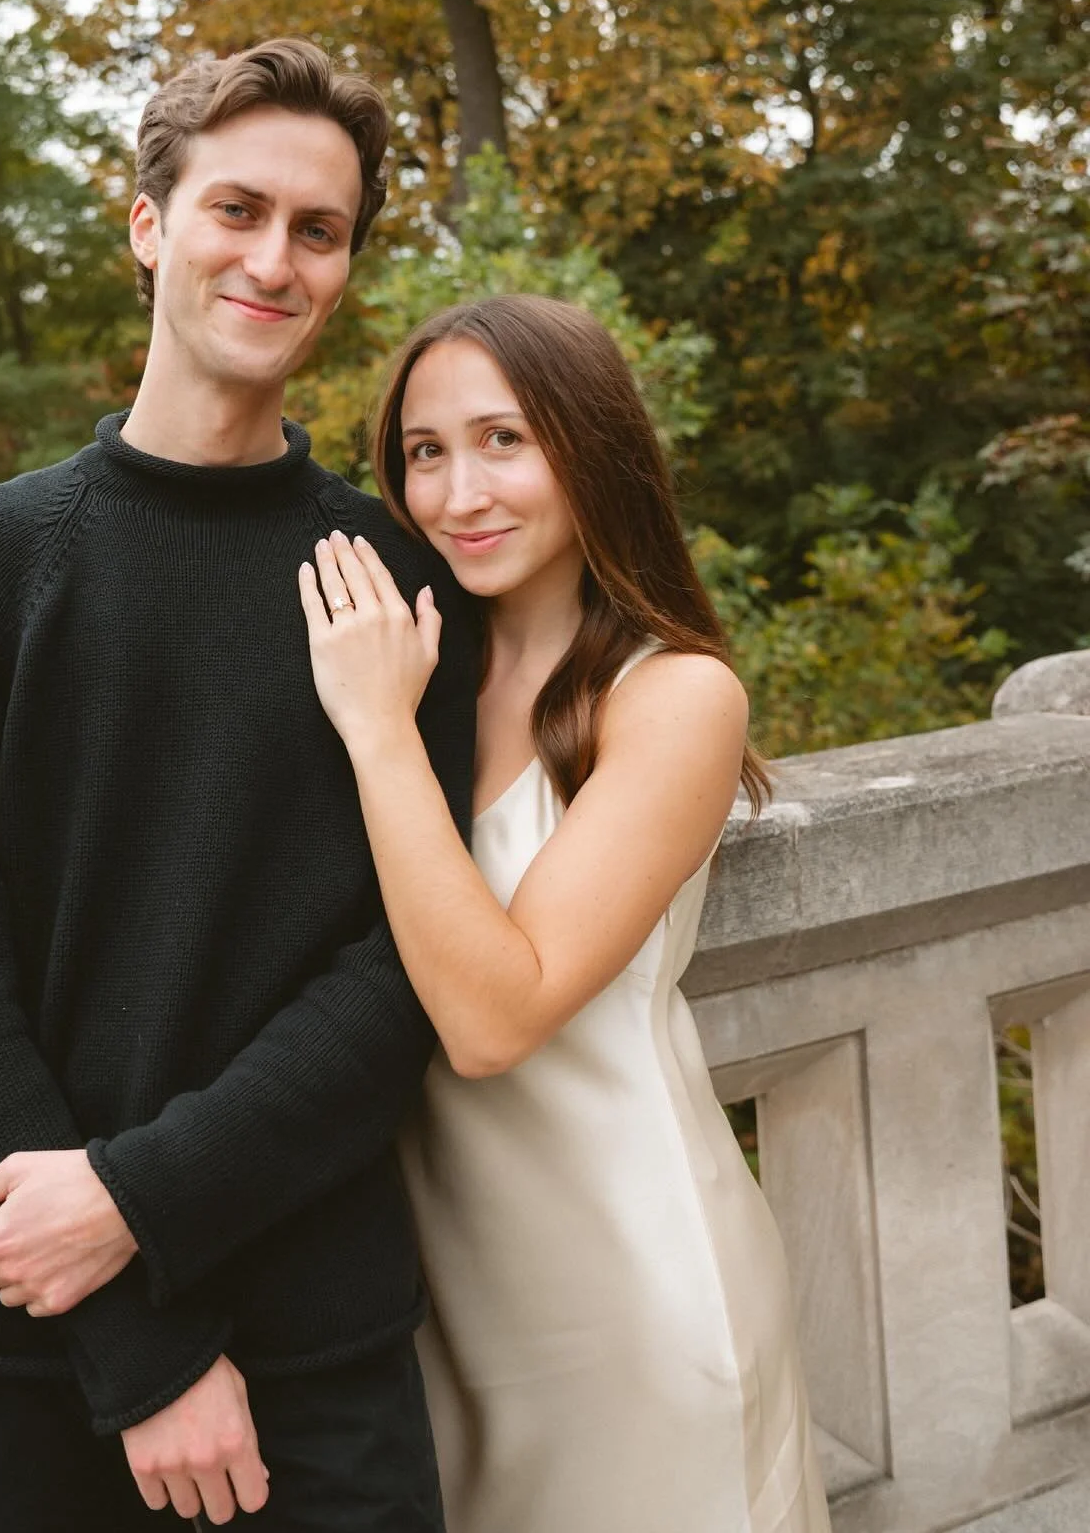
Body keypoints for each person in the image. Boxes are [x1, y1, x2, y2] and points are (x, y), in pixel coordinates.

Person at [0, 37, 479, 1532]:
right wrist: (143, 1347)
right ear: (150, 227)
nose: (274, 259)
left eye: (318, 230)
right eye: (236, 210)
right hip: (31, 1338)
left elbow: (406, 971)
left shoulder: (391, 576)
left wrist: (142, 1203)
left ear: (344, 268)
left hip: (314, 1328)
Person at [296, 294, 833, 1533]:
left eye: (504, 440)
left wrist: (373, 732)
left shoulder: (677, 697)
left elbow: (495, 1018)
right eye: (425, 453)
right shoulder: (426, 675)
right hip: (439, 1300)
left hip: (630, 1286)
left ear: (591, 448)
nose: (457, 492)